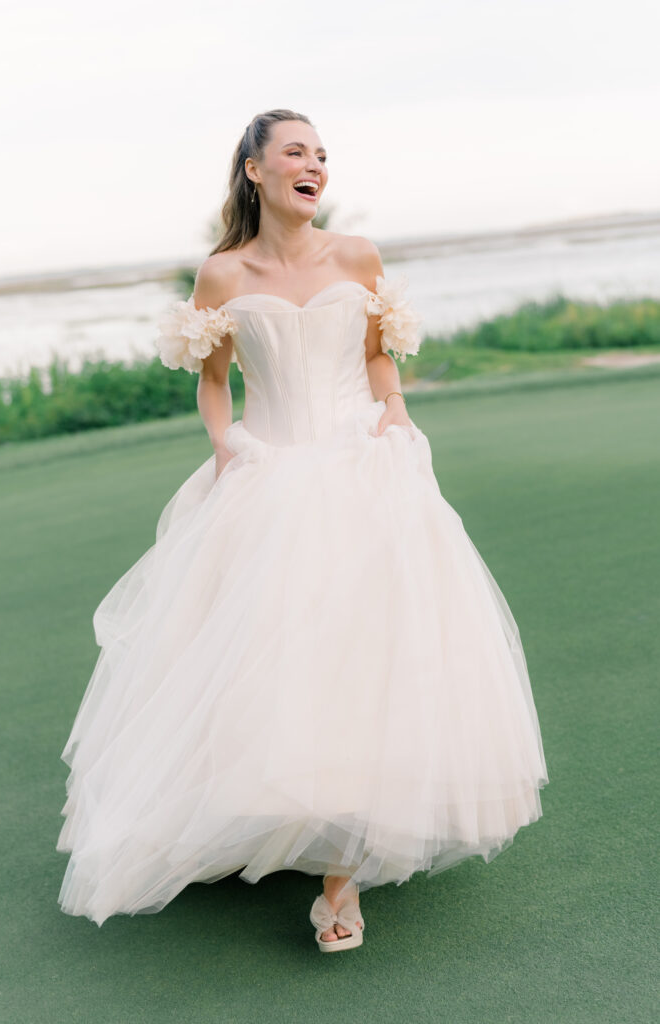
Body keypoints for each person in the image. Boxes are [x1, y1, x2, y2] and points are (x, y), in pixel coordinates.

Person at [56, 108, 548, 953]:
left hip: (366, 466)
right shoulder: (220, 274)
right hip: (269, 472)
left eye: (321, 154)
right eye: (295, 152)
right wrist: (224, 442)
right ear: (255, 170)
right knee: (272, 657)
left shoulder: (356, 256)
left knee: (370, 650)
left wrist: (393, 410)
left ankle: (340, 875)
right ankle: (271, 814)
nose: (313, 164)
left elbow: (376, 356)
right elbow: (212, 383)